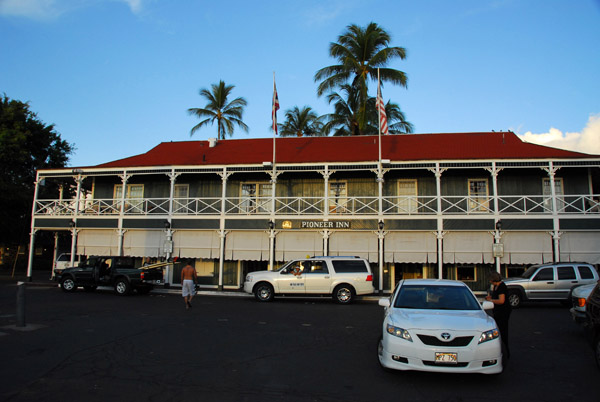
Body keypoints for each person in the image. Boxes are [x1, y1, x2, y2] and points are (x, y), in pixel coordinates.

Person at [486, 271, 512, 359]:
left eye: (490, 280)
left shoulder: (502, 287)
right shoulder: (496, 287)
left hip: (503, 312)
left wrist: (491, 301)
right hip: (498, 312)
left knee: (503, 330)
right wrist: (491, 298)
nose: (489, 281)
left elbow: (501, 301)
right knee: (499, 330)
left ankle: (505, 351)